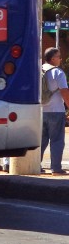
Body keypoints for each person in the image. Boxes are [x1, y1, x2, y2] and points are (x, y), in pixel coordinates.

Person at [41, 47, 69, 175]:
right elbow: (64, 91)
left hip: (40, 111)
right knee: (57, 140)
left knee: (41, 140)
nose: (61, 59)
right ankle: (56, 168)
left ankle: (37, 165)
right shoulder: (58, 72)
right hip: (56, 110)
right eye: (59, 56)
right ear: (53, 58)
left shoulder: (39, 70)